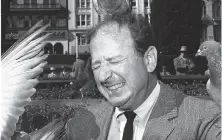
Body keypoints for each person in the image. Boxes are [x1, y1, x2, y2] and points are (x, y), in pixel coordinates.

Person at [63, 14, 220, 140]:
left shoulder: (203, 119)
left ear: (149, 59)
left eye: (115, 61)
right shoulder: (82, 123)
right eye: (96, 66)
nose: (103, 76)